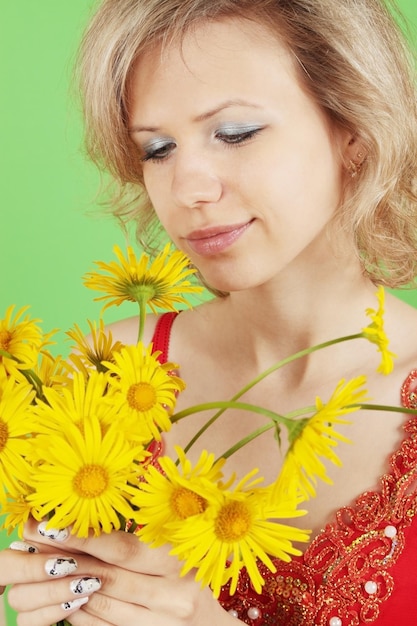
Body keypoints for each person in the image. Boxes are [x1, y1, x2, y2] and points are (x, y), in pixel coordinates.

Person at [1, 0, 417, 624]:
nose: (189, 189)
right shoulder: (101, 380)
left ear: (353, 129)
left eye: (236, 133)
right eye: (158, 149)